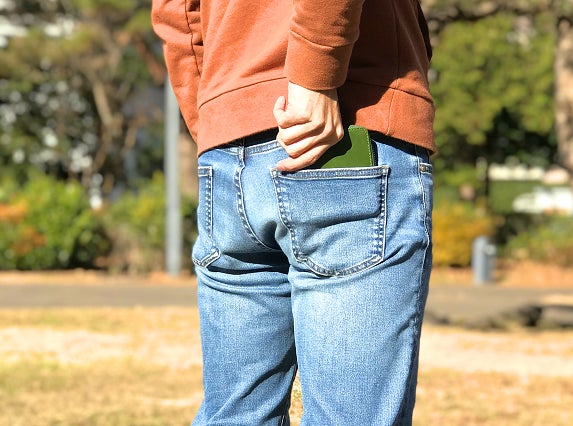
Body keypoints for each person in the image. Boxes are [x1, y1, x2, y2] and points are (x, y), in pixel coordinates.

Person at [151, 0, 436, 424]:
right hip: (344, 120)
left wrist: (217, 120)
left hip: (230, 149)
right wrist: (313, 78)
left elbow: (176, 12)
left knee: (236, 415)